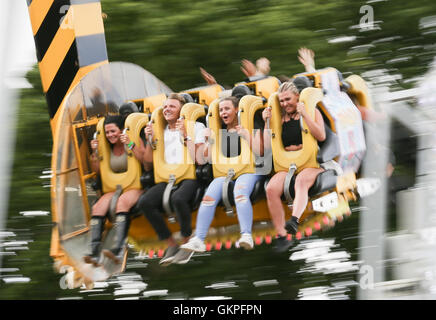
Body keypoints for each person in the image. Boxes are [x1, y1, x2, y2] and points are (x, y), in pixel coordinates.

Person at [173, 96, 264, 263]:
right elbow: (200, 159)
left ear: (237, 109)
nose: (223, 113)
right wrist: (190, 137)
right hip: (225, 173)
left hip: (249, 170)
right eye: (221, 110)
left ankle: (246, 235)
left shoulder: (250, 126)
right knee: (208, 198)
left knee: (240, 193)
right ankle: (199, 239)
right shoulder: (218, 131)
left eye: (227, 109)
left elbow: (261, 152)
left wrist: (246, 135)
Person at [137, 93, 206, 266]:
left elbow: (199, 159)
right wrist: (149, 140)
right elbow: (147, 165)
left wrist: (185, 134)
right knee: (145, 202)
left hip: (189, 176)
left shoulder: (196, 126)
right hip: (166, 177)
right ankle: (171, 244)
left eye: (172, 106)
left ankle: (186, 243)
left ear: (181, 110)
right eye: (165, 107)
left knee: (179, 198)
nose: (167, 109)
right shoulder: (161, 131)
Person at [263, 81, 326, 253]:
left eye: (288, 99)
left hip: (310, 162)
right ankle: (281, 235)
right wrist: (267, 122)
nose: (285, 104)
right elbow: (267, 146)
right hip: (286, 164)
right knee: (270, 189)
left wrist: (305, 114)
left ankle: (294, 221)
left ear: (297, 96)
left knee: (301, 181)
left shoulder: (312, 111)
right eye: (281, 101)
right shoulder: (279, 118)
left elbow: (321, 135)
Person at [84, 115, 148, 266]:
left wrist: (130, 144)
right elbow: (98, 171)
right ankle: (94, 252)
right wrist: (95, 152)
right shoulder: (106, 148)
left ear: (121, 130)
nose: (110, 135)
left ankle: (118, 248)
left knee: (122, 203)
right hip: (115, 186)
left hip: (135, 185)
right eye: (107, 133)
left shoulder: (132, 140)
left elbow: (146, 161)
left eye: (113, 131)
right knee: (98, 207)